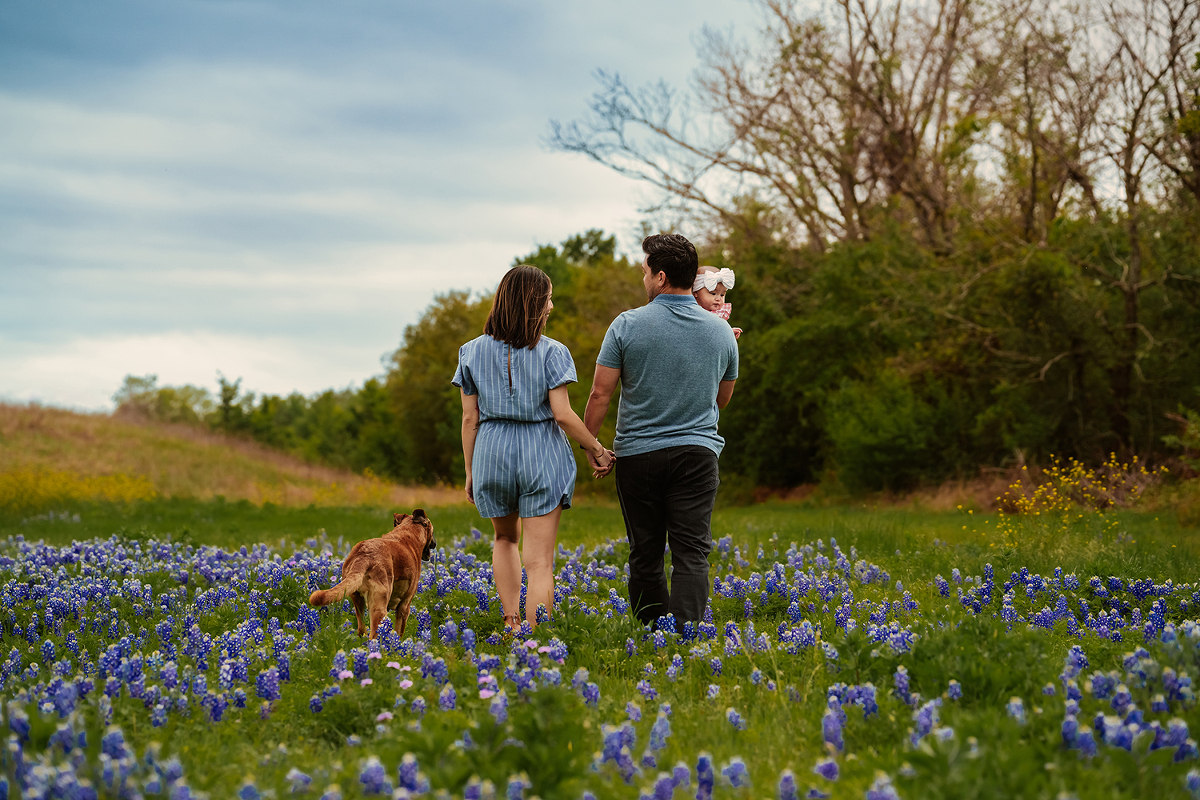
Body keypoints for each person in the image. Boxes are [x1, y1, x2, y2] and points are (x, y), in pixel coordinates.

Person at [583, 234, 738, 626]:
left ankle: (653, 633)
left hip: (639, 455)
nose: (644, 277)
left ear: (662, 277)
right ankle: (684, 639)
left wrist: (591, 445)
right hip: (698, 454)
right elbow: (722, 401)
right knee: (691, 552)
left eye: (646, 271)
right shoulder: (722, 332)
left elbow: (600, 394)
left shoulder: (626, 324)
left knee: (645, 551)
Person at [453, 265, 613, 632]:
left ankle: (510, 622)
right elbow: (563, 415)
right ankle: (534, 635)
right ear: (535, 303)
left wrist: (470, 471)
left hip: (491, 452)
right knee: (538, 560)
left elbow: (469, 419)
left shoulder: (470, 352)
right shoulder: (553, 352)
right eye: (549, 298)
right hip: (540, 452)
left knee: (504, 538)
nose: (552, 306)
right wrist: (597, 448)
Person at [693, 266, 742, 339]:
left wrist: (728, 332)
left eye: (722, 295)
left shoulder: (719, 313)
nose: (718, 298)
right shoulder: (693, 311)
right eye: (713, 293)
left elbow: (717, 332)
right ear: (696, 292)